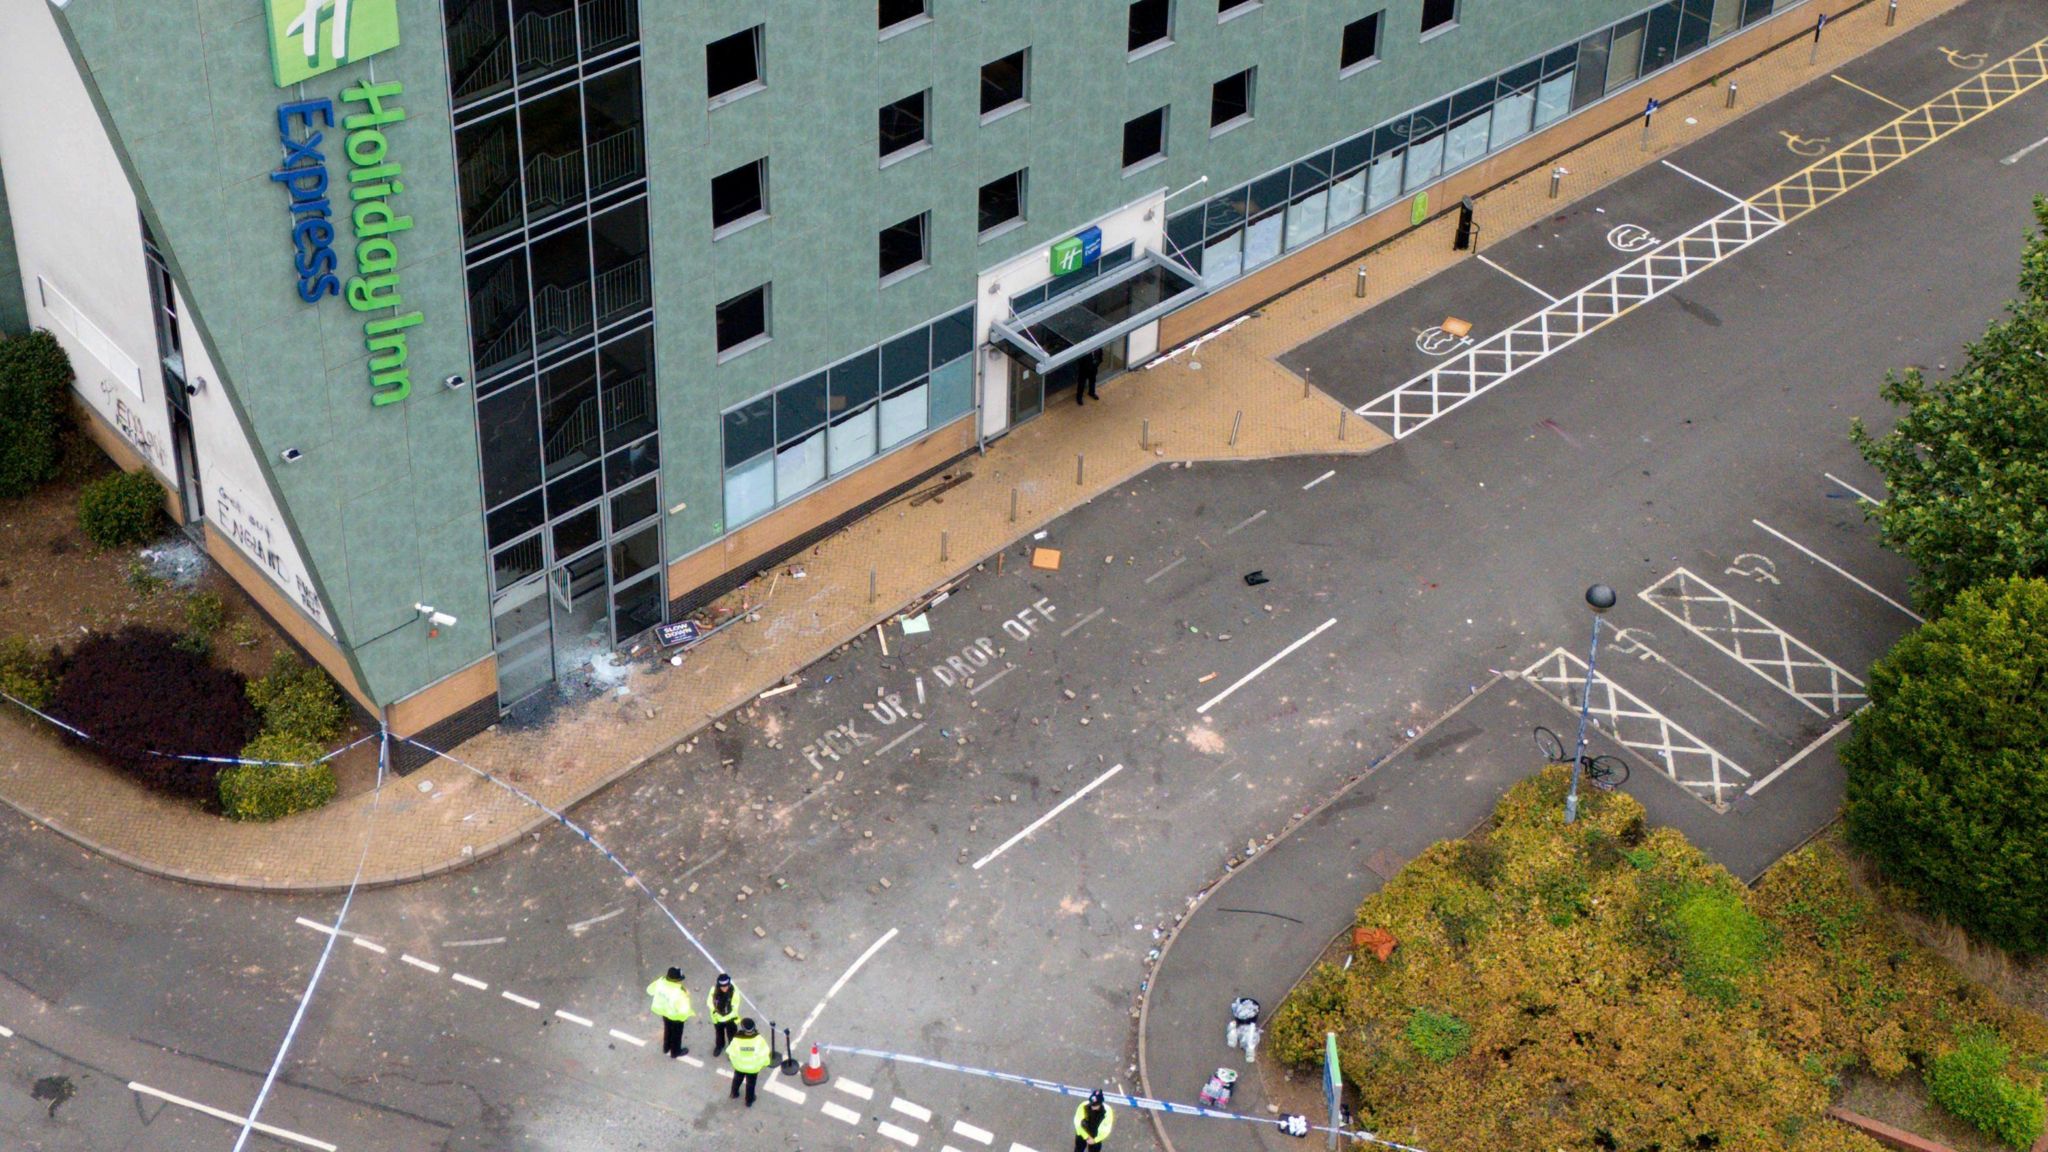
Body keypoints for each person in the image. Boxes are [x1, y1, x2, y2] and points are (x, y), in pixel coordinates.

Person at [645, 967, 694, 1058]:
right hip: (676, 1016)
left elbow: (649, 990)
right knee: (676, 1035)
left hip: (664, 1012)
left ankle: (666, 1047)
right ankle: (675, 1052)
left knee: (668, 1030)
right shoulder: (680, 992)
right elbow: (684, 1009)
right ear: (677, 980)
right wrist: (687, 996)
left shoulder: (661, 982)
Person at [725, 1018, 773, 1107]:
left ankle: (734, 1093)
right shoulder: (759, 1040)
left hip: (739, 1067)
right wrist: (765, 1063)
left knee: (737, 1079)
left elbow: (730, 1053)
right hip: (753, 1069)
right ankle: (749, 1101)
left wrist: (736, 1063)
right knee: (751, 1084)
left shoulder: (737, 1040)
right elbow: (765, 1054)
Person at [709, 973, 742, 1057]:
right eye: (722, 986)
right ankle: (719, 1046)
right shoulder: (713, 990)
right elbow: (710, 1003)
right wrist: (716, 1012)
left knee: (732, 1035)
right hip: (717, 1018)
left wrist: (725, 1015)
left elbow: (735, 1006)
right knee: (719, 1034)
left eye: (726, 986)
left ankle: (732, 1050)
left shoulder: (734, 991)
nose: (725, 988)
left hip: (730, 1019)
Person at [1226, 996, 1261, 1063]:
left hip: (1244, 1031)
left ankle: (1233, 1039)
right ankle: (1233, 1039)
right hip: (1247, 1029)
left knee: (1235, 1033)